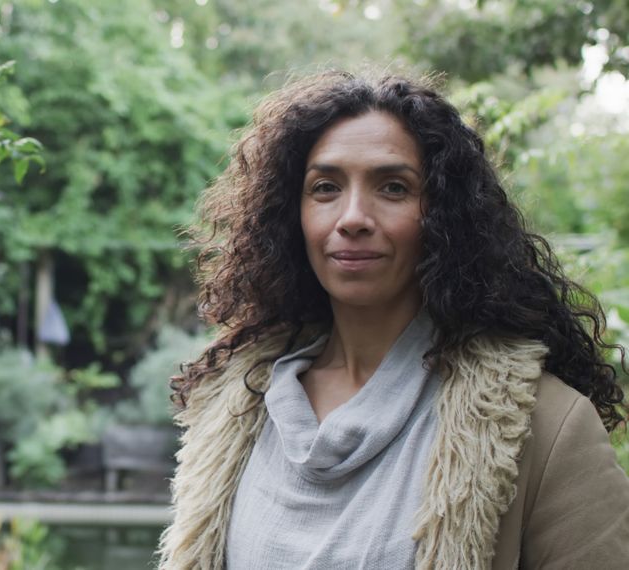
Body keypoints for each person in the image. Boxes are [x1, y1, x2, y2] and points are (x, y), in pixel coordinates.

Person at [156, 71, 629, 570]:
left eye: (393, 187)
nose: (353, 216)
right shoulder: (236, 409)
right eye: (325, 187)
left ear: (444, 216)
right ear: (290, 215)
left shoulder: (545, 424)